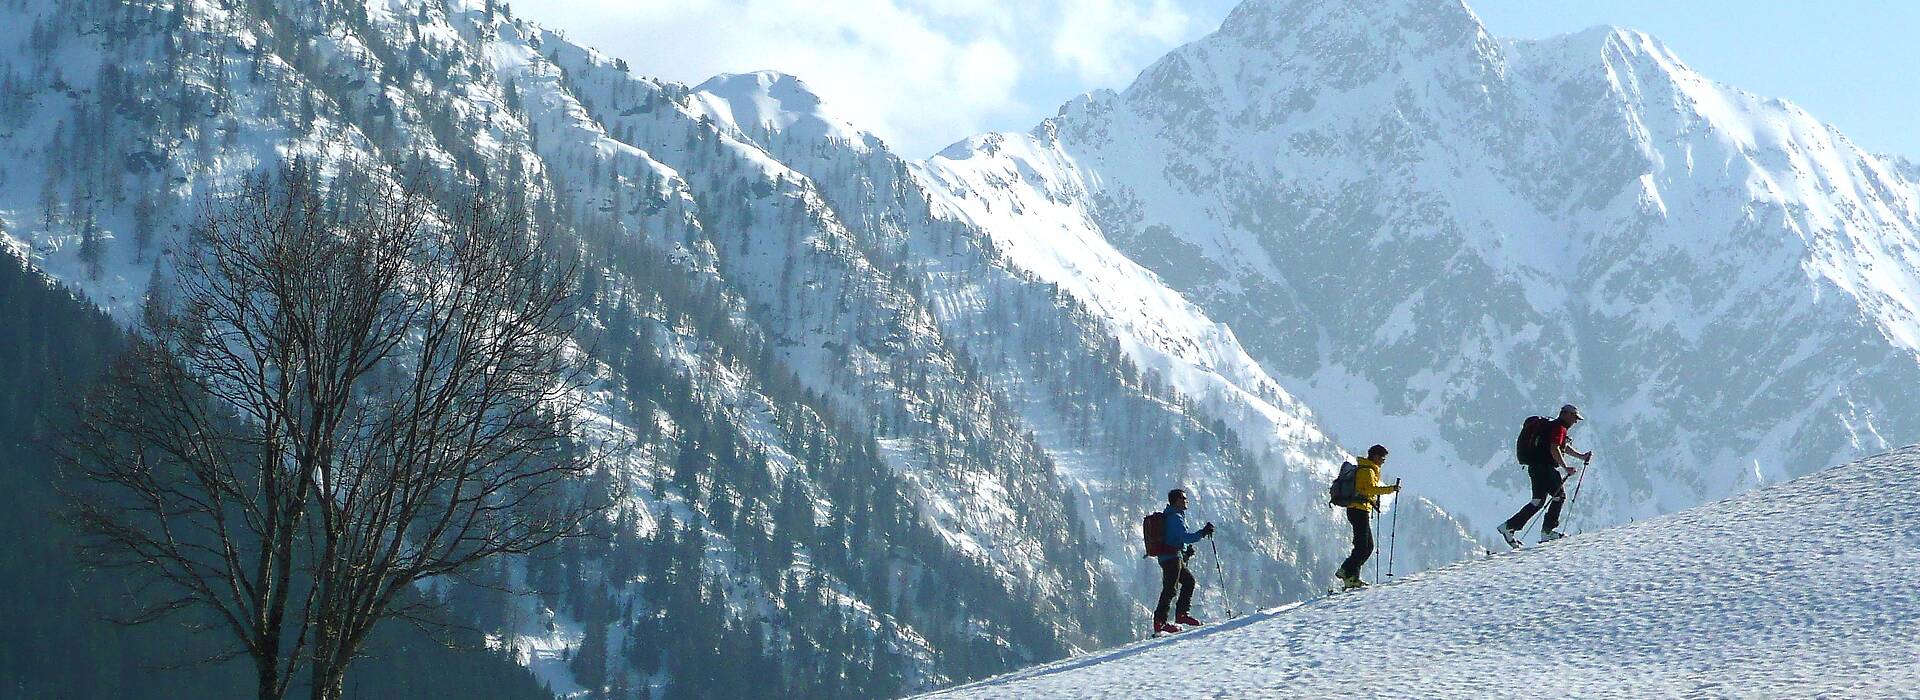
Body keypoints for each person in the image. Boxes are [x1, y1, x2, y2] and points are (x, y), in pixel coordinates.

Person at [1498, 404, 1594, 547]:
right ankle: (1547, 532)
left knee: (1537, 501)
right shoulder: (1559, 427)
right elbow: (1555, 448)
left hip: (1534, 467)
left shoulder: (1552, 427)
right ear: (1566, 414)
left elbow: (1562, 446)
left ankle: (1509, 527)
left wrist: (1581, 456)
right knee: (1559, 496)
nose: (1575, 421)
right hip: (1545, 468)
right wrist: (1565, 467)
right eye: (1574, 417)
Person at [1337, 445, 1401, 589]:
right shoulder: (1368, 471)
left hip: (1357, 510)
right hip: (1359, 510)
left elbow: (1365, 490)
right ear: (1376, 457)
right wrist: (1391, 489)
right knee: (1364, 547)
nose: (1383, 461)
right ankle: (1346, 570)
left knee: (1365, 546)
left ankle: (1351, 577)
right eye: (1382, 458)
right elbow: (1370, 489)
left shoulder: (1366, 469)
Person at [1153, 489, 1215, 635]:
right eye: (1184, 498)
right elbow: (1185, 537)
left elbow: (1176, 538)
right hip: (1171, 558)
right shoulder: (1175, 517)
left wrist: (1185, 551)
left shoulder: (1172, 515)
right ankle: (1161, 623)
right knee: (1170, 589)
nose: (1187, 501)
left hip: (1172, 556)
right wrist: (1202, 533)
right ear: (1177, 500)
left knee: (1188, 582)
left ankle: (1180, 615)